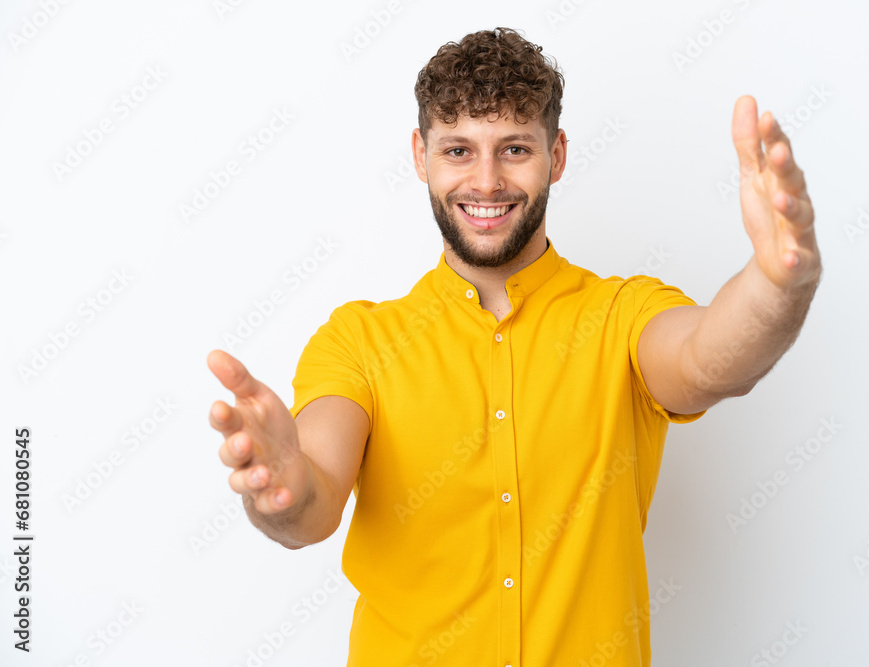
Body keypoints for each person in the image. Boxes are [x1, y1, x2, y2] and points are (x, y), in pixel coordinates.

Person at [207, 26, 820, 667]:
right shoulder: (359, 341)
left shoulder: (621, 315)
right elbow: (313, 501)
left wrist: (778, 284)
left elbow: (709, 359)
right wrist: (283, 487)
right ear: (421, 156)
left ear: (556, 155)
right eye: (458, 151)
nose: (487, 181)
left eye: (515, 148)